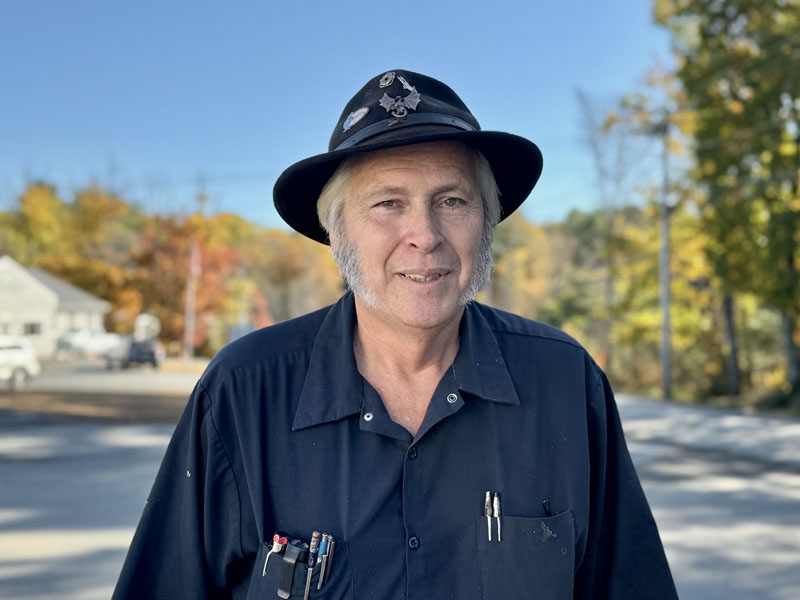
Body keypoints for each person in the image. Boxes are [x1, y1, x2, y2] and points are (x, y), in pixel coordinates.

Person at [113, 70, 677, 599]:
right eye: (388, 204)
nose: (424, 235)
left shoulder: (564, 382)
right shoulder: (242, 392)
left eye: (452, 201)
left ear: (486, 223)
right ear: (338, 234)